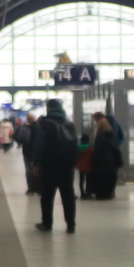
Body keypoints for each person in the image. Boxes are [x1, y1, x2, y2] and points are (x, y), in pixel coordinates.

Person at [31, 98, 78, 233]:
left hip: (49, 165)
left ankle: (47, 223)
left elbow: (39, 145)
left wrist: (36, 163)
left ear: (49, 108)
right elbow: (75, 143)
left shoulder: (45, 123)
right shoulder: (69, 123)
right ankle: (71, 225)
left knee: (47, 195)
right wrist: (74, 161)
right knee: (68, 194)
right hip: (67, 165)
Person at [88, 115, 123, 199]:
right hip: (112, 162)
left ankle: (102, 194)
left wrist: (94, 161)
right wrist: (119, 160)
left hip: (102, 162)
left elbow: (97, 151)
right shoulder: (111, 136)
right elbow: (116, 148)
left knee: (102, 178)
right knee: (110, 178)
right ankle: (109, 193)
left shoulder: (100, 137)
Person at [16, 113, 38, 194]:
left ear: (28, 119)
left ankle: (30, 188)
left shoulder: (24, 128)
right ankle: (38, 188)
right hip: (37, 152)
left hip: (27, 152)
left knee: (28, 170)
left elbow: (20, 140)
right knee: (37, 170)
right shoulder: (40, 127)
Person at [76, 132, 93, 199]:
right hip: (88, 165)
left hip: (81, 166)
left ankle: (82, 193)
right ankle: (88, 192)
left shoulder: (77, 148)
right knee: (88, 180)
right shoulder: (90, 148)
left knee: (81, 180)